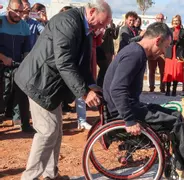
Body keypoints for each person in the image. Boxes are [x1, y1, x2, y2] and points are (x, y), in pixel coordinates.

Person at [103, 21, 184, 180]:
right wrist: (129, 120)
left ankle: (182, 166)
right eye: (165, 47)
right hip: (124, 111)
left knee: (177, 115)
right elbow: (116, 89)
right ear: (157, 40)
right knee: (175, 122)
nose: (164, 53)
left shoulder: (135, 50)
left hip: (131, 106)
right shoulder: (135, 54)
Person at [15, 1, 112, 179]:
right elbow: (64, 62)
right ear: (91, 12)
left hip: (51, 85)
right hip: (39, 82)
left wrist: (91, 84)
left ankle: (50, 174)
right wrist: (84, 92)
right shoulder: (67, 22)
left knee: (56, 130)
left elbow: (82, 64)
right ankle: (31, 177)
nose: (102, 28)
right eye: (101, 23)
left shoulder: (85, 28)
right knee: (47, 131)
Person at [0, 0, 32, 131]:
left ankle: (25, 124)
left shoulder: (24, 26)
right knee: (2, 94)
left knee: (22, 94)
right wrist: (3, 57)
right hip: (2, 65)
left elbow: (27, 49)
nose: (18, 14)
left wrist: (26, 62)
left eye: (21, 11)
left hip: (17, 65)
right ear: (8, 9)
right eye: (15, 11)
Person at [163, 15, 184, 96]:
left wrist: (178, 39)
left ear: (180, 21)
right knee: (169, 72)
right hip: (170, 53)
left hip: (178, 53)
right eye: (174, 20)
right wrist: (171, 41)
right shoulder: (168, 30)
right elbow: (165, 41)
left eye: (177, 20)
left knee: (177, 72)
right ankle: (168, 90)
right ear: (172, 21)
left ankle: (174, 90)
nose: (176, 22)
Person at [148, 13, 166, 93]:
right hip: (152, 52)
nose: (160, 20)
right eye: (158, 18)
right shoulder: (151, 28)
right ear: (155, 19)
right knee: (152, 70)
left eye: (161, 18)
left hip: (162, 53)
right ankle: (151, 87)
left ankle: (162, 87)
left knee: (163, 71)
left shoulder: (165, 29)